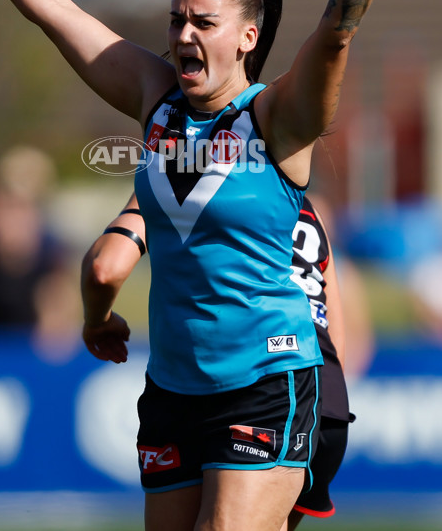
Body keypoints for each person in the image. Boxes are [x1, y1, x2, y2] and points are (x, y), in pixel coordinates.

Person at [0, 0, 409, 531]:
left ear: (247, 38)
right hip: (175, 385)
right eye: (177, 19)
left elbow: (336, 31)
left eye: (203, 23)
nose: (183, 33)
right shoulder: (158, 105)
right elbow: (51, 6)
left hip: (266, 377)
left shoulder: (276, 121)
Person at [82, 193, 353, 529]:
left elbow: (104, 268)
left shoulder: (172, 182)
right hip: (314, 386)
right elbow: (333, 321)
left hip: (249, 377)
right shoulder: (303, 200)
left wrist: (96, 319)